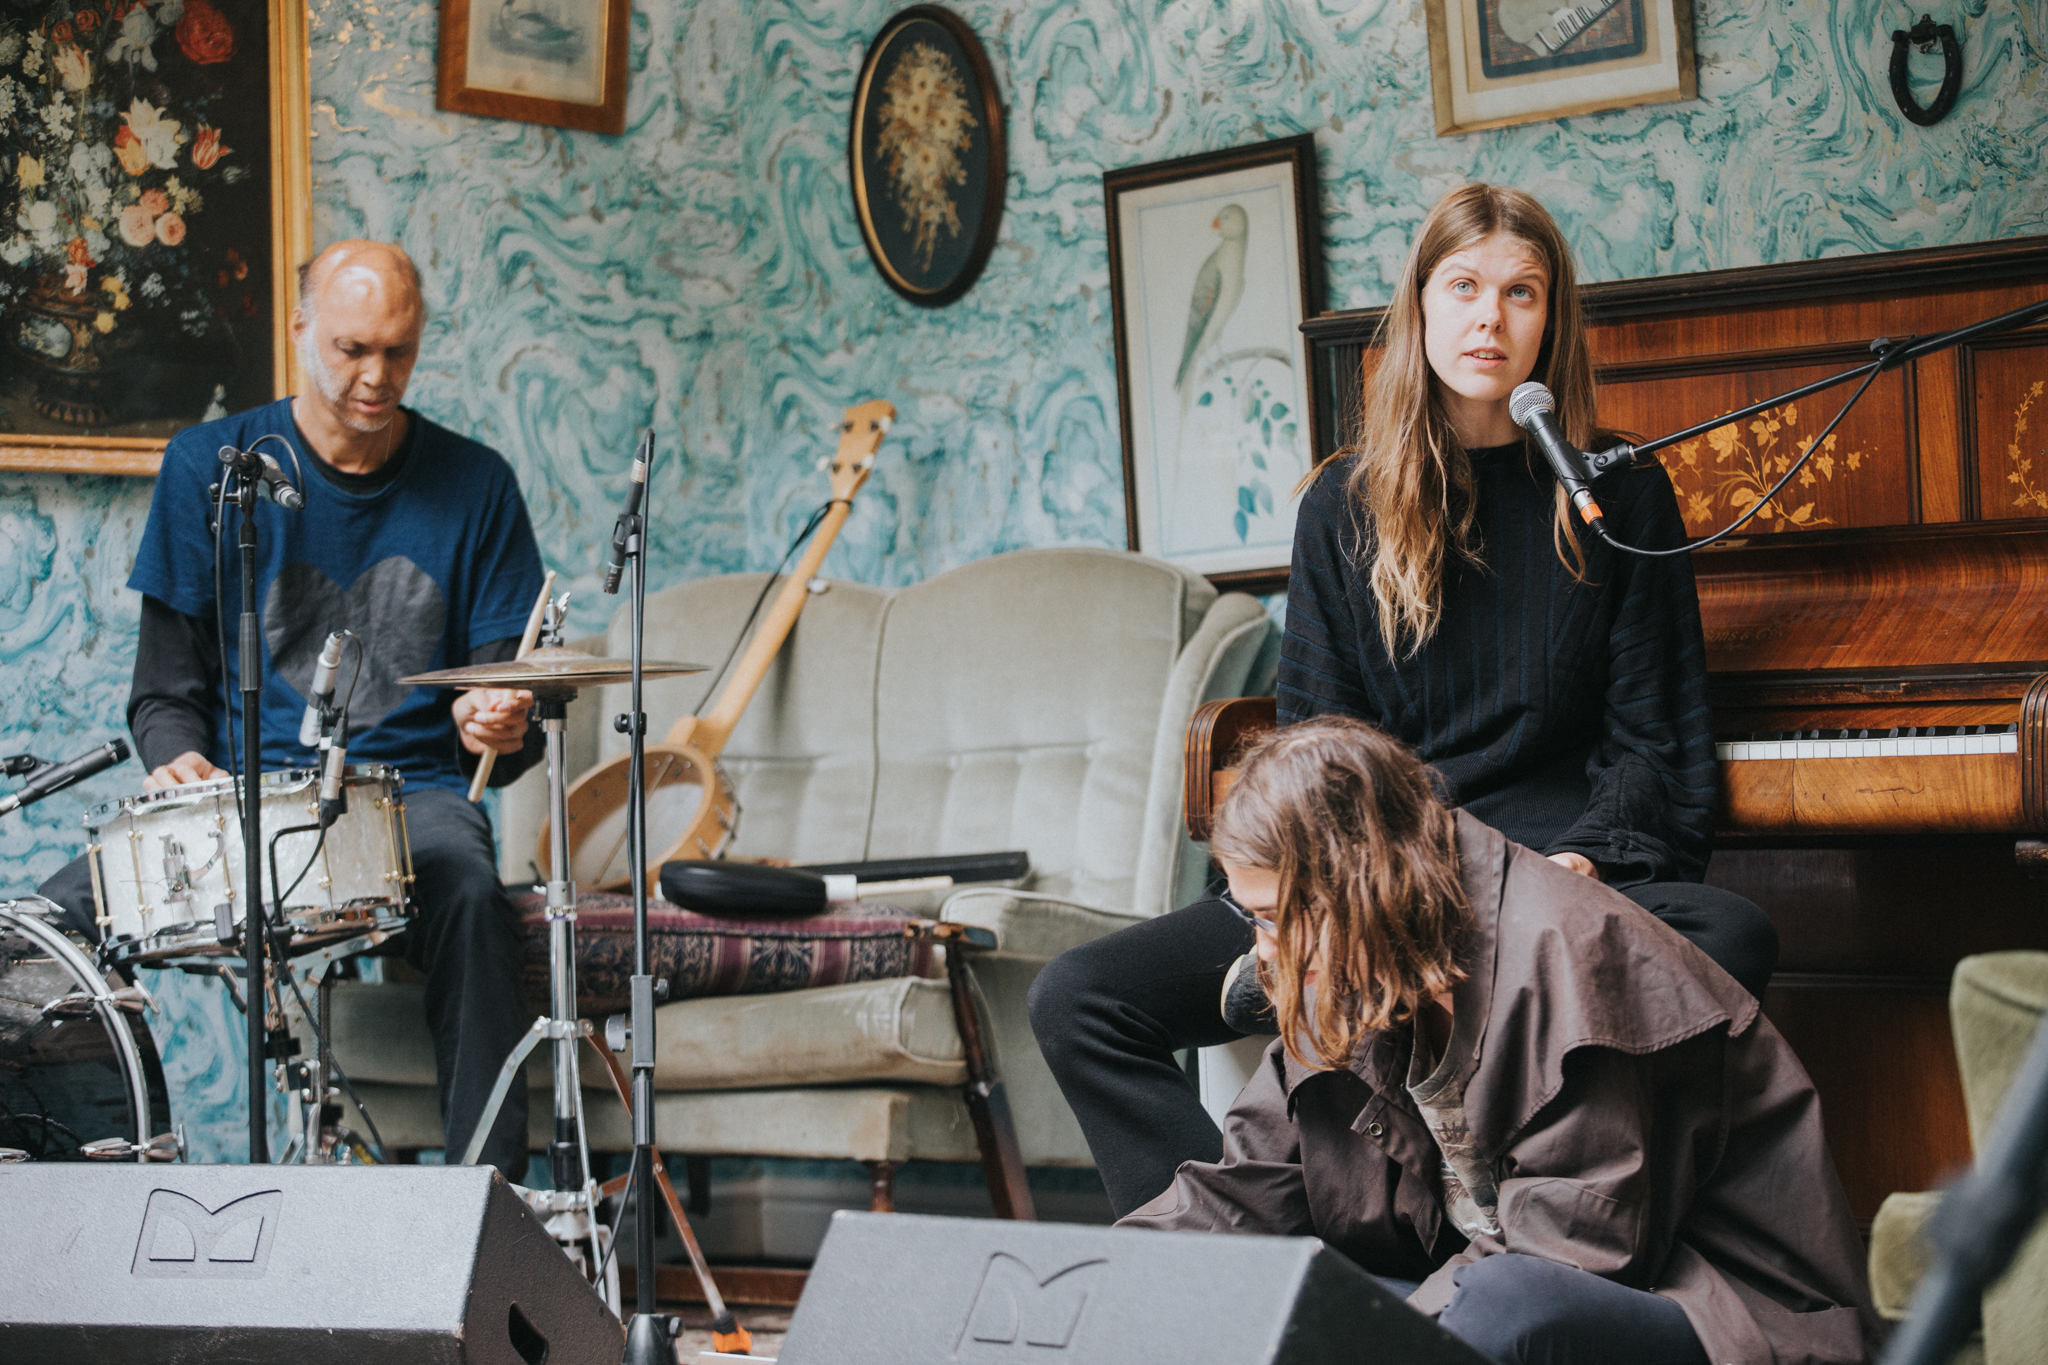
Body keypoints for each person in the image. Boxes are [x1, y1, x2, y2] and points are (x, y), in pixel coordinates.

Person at [1029, 183, 1779, 1217]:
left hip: (1549, 877)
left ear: (1550, 318)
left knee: (1729, 938)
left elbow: (1654, 745)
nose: (1490, 318)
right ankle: (1244, 1267)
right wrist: (1373, 889)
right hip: (1373, 875)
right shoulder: (1340, 505)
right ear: (1417, 309)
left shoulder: (1617, 491)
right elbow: (1316, 751)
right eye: (1463, 287)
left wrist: (1574, 868)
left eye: (1522, 292)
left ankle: (1585, 1237)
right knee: (1079, 997)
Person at [1122, 717, 1878, 1365]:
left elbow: (1574, 1253)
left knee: (1502, 1301)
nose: (1263, 949)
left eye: (1273, 916)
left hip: (1725, 1318)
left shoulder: (1573, 957)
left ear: (1361, 887)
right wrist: (1104, 1283)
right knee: (1286, 1302)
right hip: (1502, 1287)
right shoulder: (1346, 962)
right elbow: (1237, 1191)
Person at [36, 240, 546, 1178]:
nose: (375, 376)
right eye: (353, 349)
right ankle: (59, 1196)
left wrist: (501, 729)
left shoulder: (477, 486)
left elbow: (509, 726)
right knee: (39, 934)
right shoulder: (209, 469)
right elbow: (163, 691)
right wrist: (176, 758)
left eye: (397, 351)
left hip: (407, 801)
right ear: (301, 329)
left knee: (476, 894)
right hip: (241, 798)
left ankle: (491, 1208)